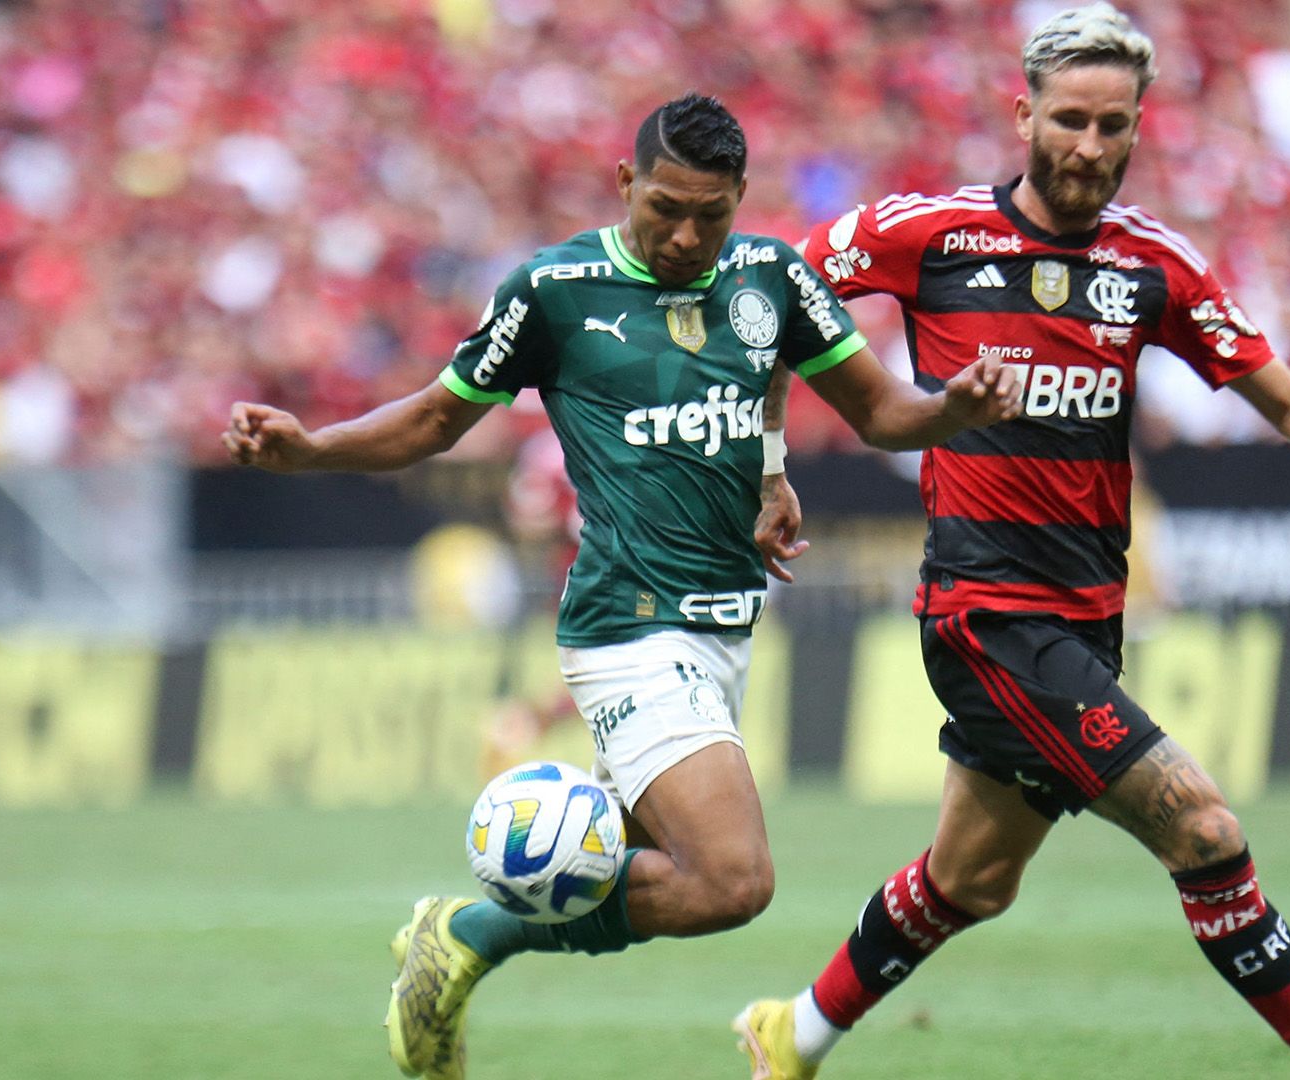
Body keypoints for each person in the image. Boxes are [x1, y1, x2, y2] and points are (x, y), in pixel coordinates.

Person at [734, 7, 1290, 1080]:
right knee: (1202, 828)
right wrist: (770, 461)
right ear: (1023, 115)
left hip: (1085, 620)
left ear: (1140, 127)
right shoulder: (935, 235)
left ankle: (793, 1036)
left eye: (1113, 126)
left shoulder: (1151, 266)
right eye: (1068, 121)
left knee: (971, 880)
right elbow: (773, 291)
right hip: (986, 618)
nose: (1088, 148)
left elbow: (1282, 400)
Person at [222, 93, 1020, 1080]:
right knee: (733, 881)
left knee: (644, 874)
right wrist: (308, 450)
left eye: (712, 213)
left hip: (723, 629)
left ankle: (463, 936)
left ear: (740, 200)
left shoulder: (772, 277)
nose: (687, 234)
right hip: (629, 629)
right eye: (665, 209)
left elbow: (881, 413)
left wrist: (950, 409)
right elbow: (435, 420)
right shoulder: (555, 291)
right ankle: (472, 932)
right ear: (624, 184)